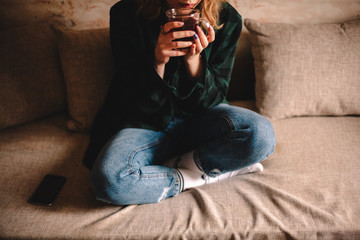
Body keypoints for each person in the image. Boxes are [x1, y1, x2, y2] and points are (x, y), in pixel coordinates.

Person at [83, 0, 276, 205]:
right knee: (111, 181)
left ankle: (181, 164)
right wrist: (157, 60)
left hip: (201, 120)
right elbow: (131, 98)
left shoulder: (227, 18)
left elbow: (213, 99)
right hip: (144, 122)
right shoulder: (126, 13)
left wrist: (195, 61)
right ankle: (195, 175)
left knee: (261, 135)